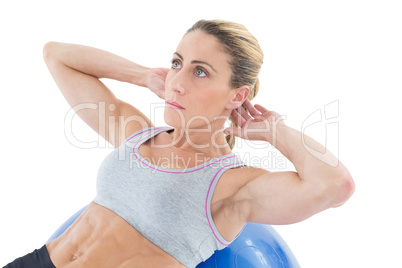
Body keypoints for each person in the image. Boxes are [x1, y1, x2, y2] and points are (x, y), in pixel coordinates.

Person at [4, 20, 355, 268]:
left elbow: (336, 186)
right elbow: (57, 56)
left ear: (239, 94)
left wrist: (273, 131)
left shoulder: (234, 184)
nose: (177, 82)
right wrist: (143, 76)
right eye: (177, 63)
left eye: (199, 71)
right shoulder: (136, 133)